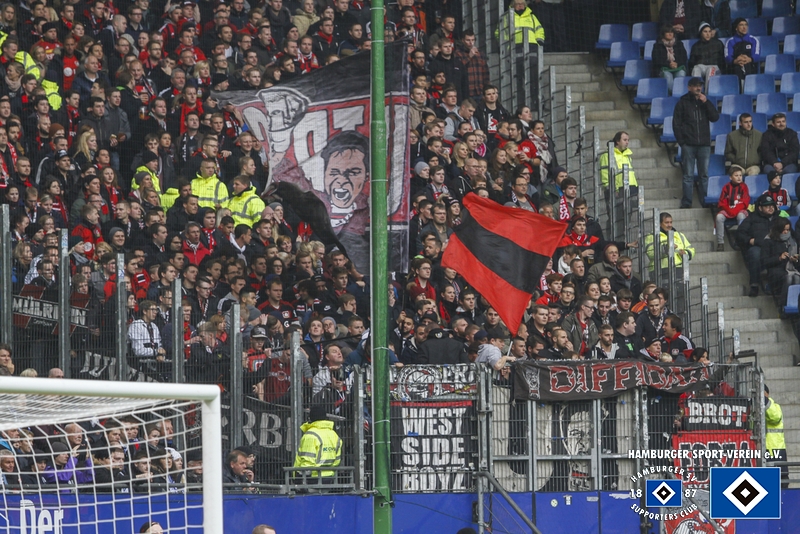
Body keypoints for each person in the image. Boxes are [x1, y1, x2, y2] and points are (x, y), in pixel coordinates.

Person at [673, 77, 720, 208]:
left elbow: (715, 117)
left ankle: (705, 201)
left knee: (703, 175)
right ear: (689, 87)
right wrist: (682, 142)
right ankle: (687, 202)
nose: (698, 88)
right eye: (695, 86)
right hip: (688, 144)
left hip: (704, 144)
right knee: (688, 175)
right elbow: (676, 124)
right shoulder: (682, 102)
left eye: (700, 86)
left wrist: (706, 103)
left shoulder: (705, 101)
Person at [737, 194, 779, 297]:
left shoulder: (779, 218)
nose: (771, 208)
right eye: (767, 206)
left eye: (772, 205)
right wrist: (750, 240)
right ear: (760, 208)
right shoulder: (752, 218)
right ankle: (754, 285)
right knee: (754, 253)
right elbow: (740, 234)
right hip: (758, 246)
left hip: (776, 247)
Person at [293, 404, 342, 479]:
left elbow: (307, 462)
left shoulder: (310, 435)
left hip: (312, 478)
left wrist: (300, 478)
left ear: (310, 418)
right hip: (329, 477)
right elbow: (337, 461)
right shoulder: (334, 435)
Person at [715, 165, 749, 252]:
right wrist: (729, 210)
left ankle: (740, 240)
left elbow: (745, 202)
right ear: (730, 177)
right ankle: (720, 243)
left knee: (741, 216)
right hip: (728, 210)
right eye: (736, 175)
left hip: (739, 210)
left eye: (740, 175)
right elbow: (721, 202)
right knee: (719, 217)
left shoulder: (744, 187)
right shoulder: (726, 187)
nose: (739, 178)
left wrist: (735, 210)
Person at [764, 385, 788, 488]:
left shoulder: (774, 406)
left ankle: (783, 499)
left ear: (767, 394)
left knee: (781, 479)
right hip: (761, 450)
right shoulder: (755, 409)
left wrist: (764, 401)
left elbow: (775, 417)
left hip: (776, 449)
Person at [652, 25, 687, 94]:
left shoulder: (679, 44)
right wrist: (669, 64)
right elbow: (656, 60)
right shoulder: (657, 45)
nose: (670, 34)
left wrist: (677, 63)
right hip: (663, 68)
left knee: (681, 74)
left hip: (678, 67)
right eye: (668, 32)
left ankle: (679, 94)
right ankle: (672, 96)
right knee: (668, 76)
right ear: (663, 34)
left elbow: (684, 57)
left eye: (672, 32)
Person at [689, 22, 725, 87]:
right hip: (701, 66)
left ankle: (707, 94)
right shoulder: (696, 46)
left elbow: (722, 59)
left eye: (709, 31)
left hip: (714, 66)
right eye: (705, 32)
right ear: (701, 33)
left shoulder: (718, 43)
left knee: (710, 69)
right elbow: (692, 61)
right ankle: (696, 93)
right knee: (695, 69)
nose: (708, 34)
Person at [726, 18, 760, 85]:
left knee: (746, 66)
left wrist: (748, 59)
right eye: (741, 25)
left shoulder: (753, 40)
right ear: (736, 28)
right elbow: (727, 57)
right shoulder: (730, 41)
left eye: (746, 25)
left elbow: (756, 55)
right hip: (735, 66)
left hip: (750, 65)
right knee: (738, 68)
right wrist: (736, 61)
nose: (744, 27)